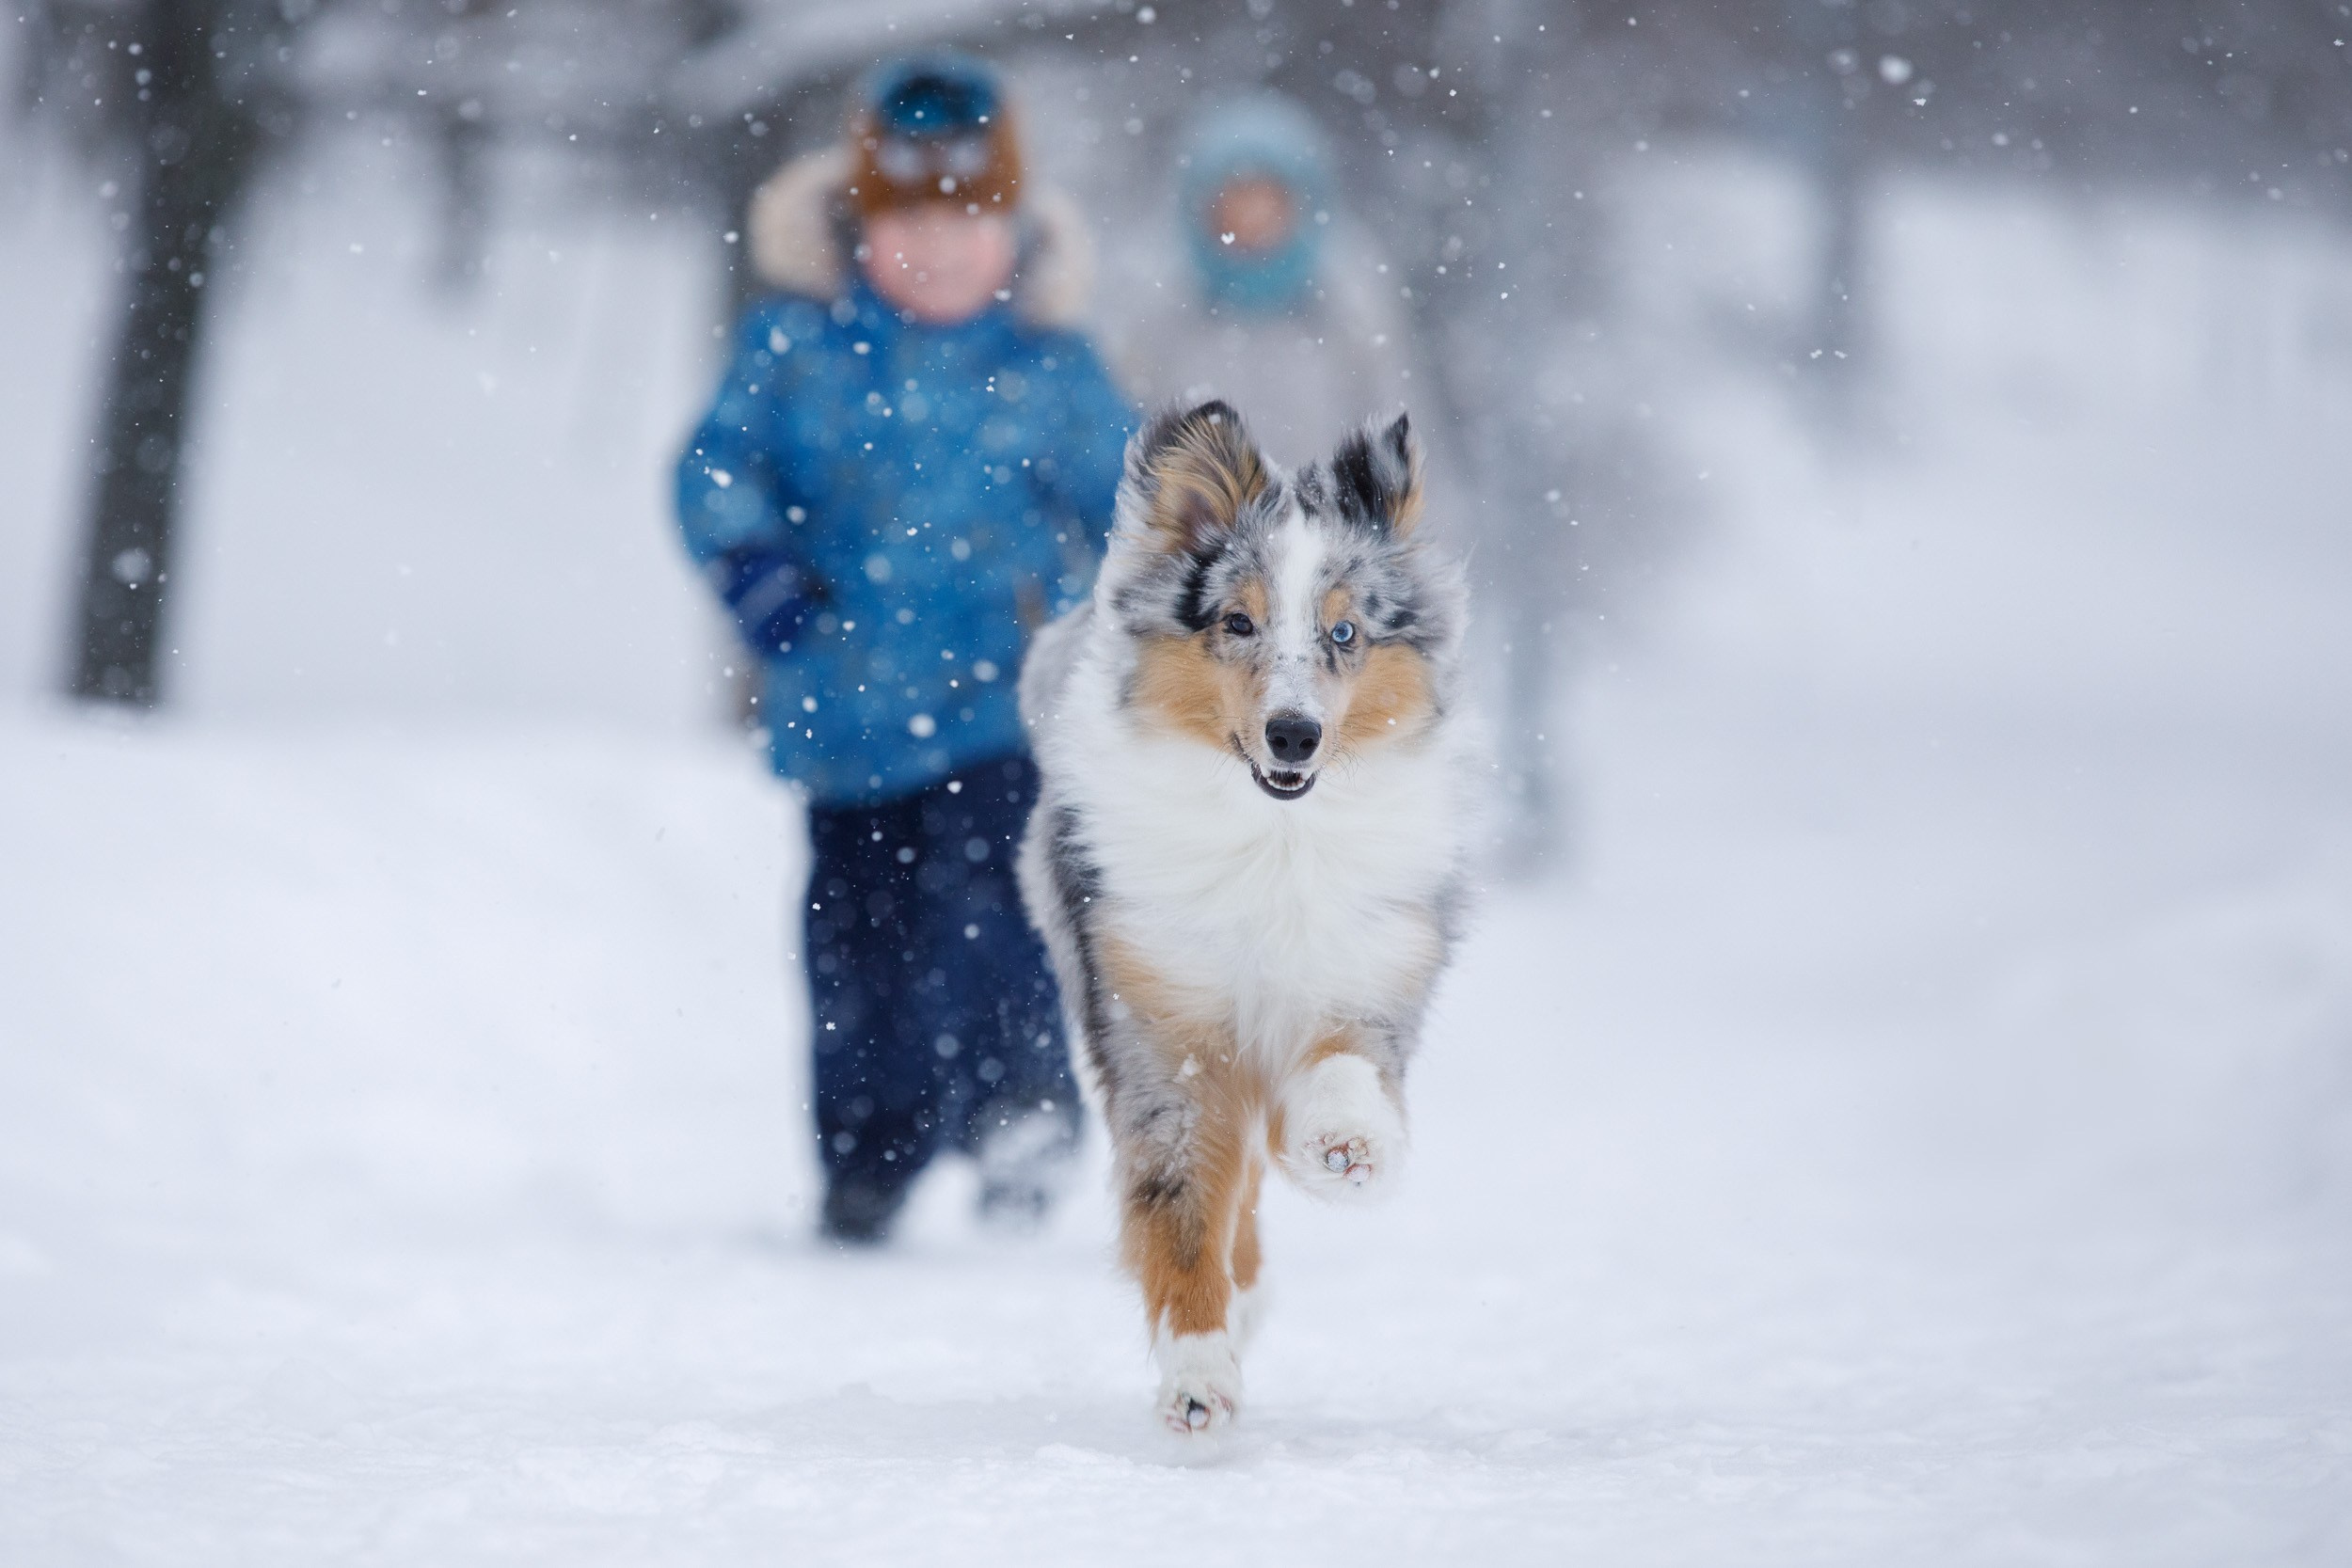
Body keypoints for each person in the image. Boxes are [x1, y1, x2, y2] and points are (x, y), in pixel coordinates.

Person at [675, 55, 1135, 1244]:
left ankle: (1019, 1105)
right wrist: (753, 565)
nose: (936, 250)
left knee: (1000, 918)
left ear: (1017, 236)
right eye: (905, 225)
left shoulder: (1051, 370)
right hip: (844, 713)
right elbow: (717, 466)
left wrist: (1102, 612)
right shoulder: (800, 352)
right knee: (856, 944)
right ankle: (865, 1150)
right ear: (854, 224)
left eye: (966, 226)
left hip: (1002, 707)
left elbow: (1134, 507)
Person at [1103, 93, 1416, 460]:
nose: (1251, 216)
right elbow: (1123, 446)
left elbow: (1402, 452)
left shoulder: (1345, 315)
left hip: (1325, 516)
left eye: (1266, 198)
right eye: (1235, 196)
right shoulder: (1162, 317)